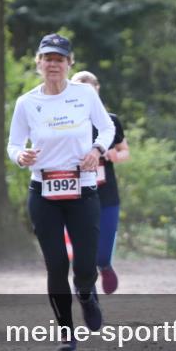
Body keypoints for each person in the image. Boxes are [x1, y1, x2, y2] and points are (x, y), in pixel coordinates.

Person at [7, 34, 114, 351]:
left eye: (59, 59)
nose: (53, 65)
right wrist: (19, 156)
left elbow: (107, 128)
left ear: (70, 64)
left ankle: (86, 292)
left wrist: (97, 149)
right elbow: (13, 144)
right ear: (38, 63)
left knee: (83, 266)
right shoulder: (27, 103)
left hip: (82, 189)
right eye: (47, 59)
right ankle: (66, 333)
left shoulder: (84, 95)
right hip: (44, 192)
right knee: (55, 265)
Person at [71, 71, 130, 294]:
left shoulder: (110, 121)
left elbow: (125, 151)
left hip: (106, 193)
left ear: (97, 89)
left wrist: (116, 154)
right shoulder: (66, 122)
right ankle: (86, 287)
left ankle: (104, 266)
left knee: (103, 252)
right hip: (75, 193)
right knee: (82, 248)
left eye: (89, 88)